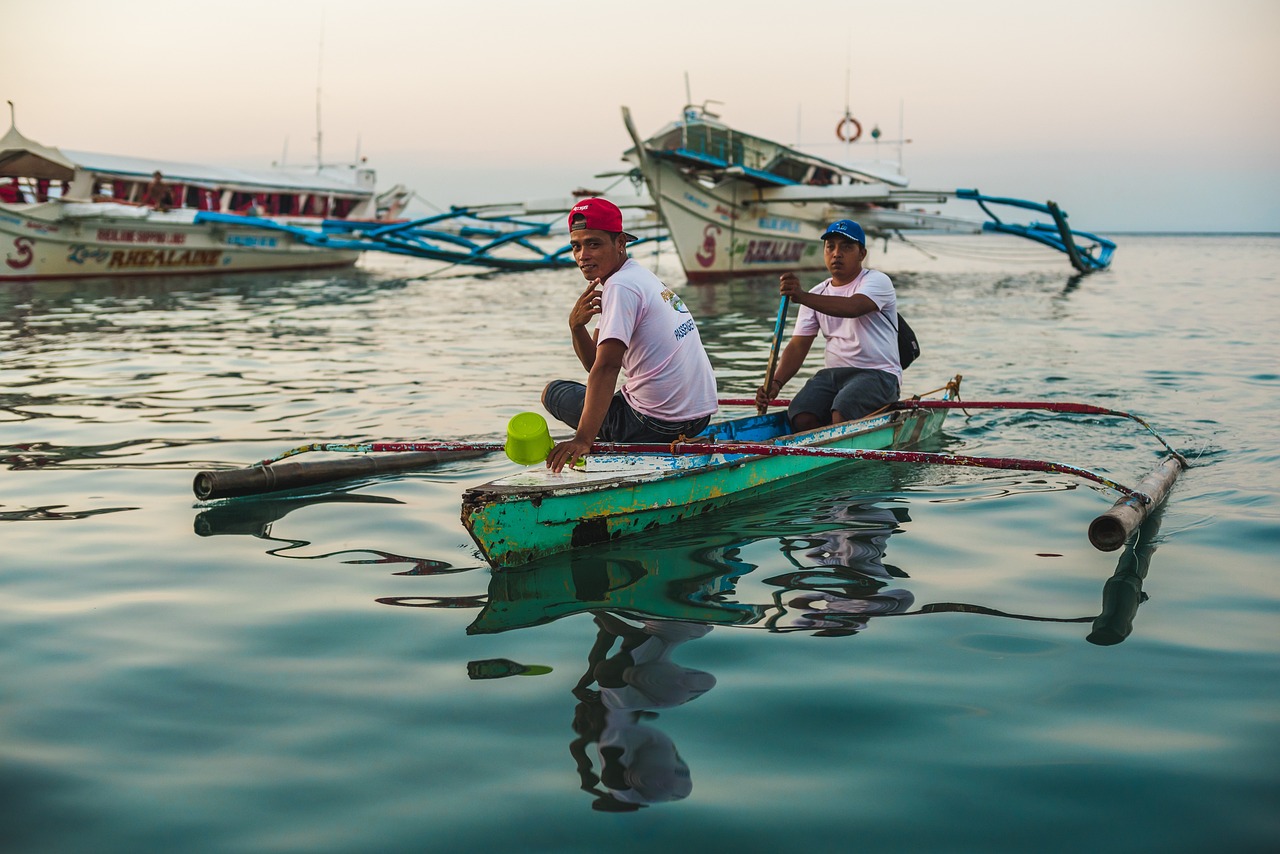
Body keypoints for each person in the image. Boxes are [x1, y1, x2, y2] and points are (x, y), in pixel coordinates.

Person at [543, 197, 718, 472]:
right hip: (698, 419)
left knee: (554, 392)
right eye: (576, 246)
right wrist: (576, 327)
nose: (582, 255)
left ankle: (605, 440)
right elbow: (595, 363)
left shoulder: (620, 286)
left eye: (593, 244)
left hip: (655, 425)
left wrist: (582, 439)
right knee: (603, 392)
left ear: (620, 243)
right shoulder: (638, 275)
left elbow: (607, 367)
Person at [755, 219, 901, 431]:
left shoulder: (877, 281)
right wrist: (775, 384)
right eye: (830, 247)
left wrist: (801, 296)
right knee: (800, 415)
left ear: (862, 254)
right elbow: (798, 345)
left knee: (843, 410)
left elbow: (853, 307)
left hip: (879, 374)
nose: (836, 254)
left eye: (846, 247)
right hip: (832, 375)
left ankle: (839, 438)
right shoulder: (816, 293)